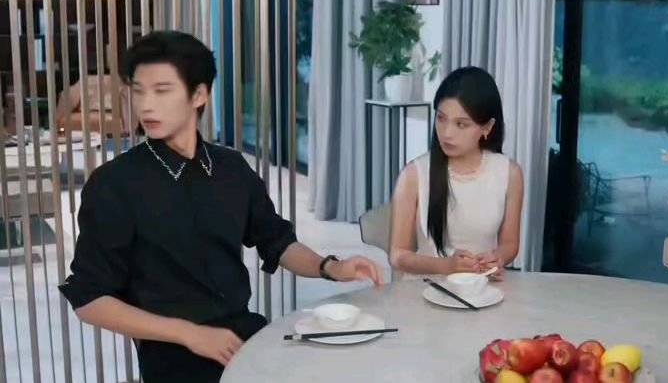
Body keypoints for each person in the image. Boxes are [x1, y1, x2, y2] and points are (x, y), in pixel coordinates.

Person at [58, 31, 383, 383]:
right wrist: (189, 333)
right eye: (139, 91)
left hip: (246, 338)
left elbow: (276, 241)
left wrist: (330, 267)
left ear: (199, 94)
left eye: (162, 91)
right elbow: (89, 299)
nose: (146, 105)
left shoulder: (232, 168)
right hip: (173, 358)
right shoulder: (114, 184)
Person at [388, 66, 524, 279]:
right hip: (426, 288)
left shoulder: (510, 174)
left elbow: (510, 244)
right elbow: (397, 256)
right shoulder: (413, 175)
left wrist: (497, 258)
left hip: (481, 286)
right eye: (441, 119)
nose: (447, 133)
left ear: (487, 127)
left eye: (461, 124)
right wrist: (445, 266)